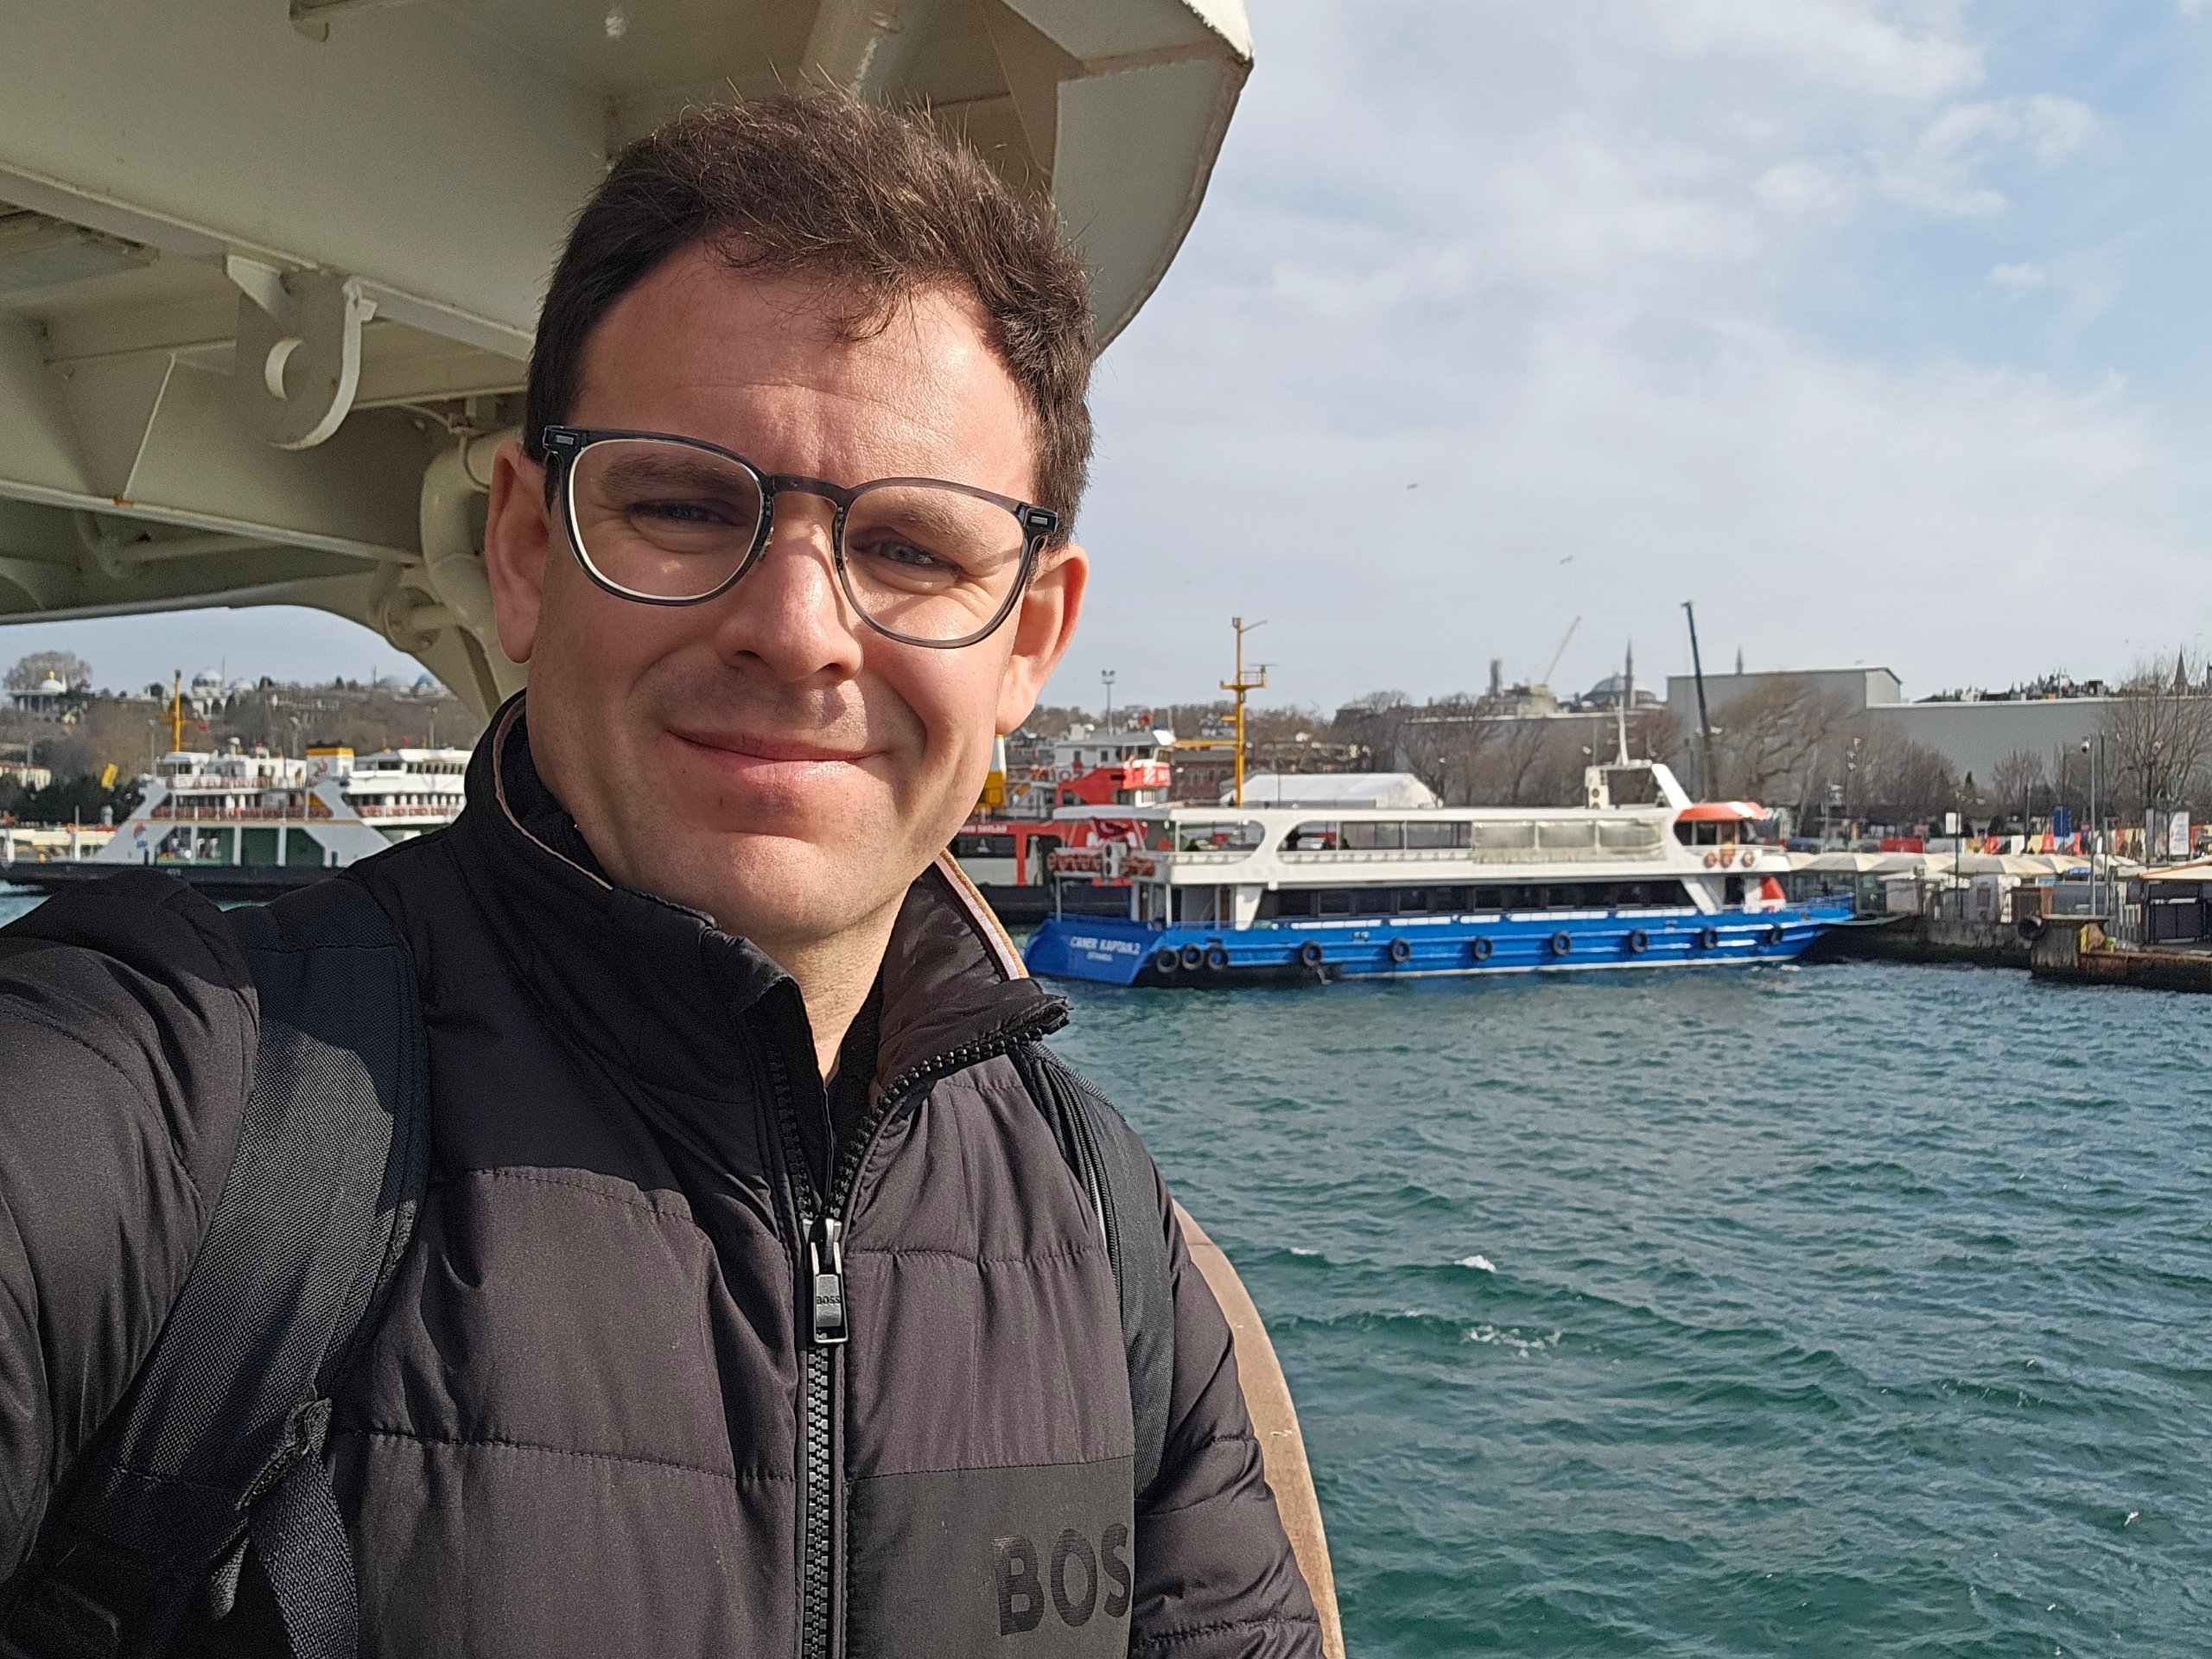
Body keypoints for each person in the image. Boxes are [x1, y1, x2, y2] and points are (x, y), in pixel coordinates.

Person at [0, 97, 1321, 1657]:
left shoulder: (1104, 1235)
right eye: (685, 506)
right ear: (525, 552)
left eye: (913, 549)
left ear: (1027, 639)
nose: (800, 631)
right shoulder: (176, 1097)